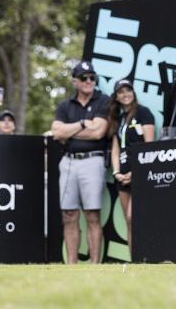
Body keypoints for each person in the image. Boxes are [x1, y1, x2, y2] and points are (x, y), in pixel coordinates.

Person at [50, 60, 111, 264]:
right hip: (68, 162)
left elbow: (99, 132)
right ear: (75, 81)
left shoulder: (103, 100)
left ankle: (95, 265)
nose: (89, 81)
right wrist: (84, 124)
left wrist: (71, 131)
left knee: (92, 214)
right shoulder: (65, 105)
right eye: (84, 78)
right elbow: (57, 133)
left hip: (93, 161)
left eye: (92, 77)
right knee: (69, 215)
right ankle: (72, 266)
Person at [108, 78, 155, 252]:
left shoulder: (144, 113)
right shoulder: (118, 119)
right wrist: (116, 172)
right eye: (121, 92)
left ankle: (145, 254)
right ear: (116, 97)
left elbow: (150, 146)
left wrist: (137, 172)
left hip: (140, 173)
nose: (125, 94)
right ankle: (134, 259)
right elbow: (115, 148)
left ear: (133, 93)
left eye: (128, 90)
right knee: (128, 221)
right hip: (122, 175)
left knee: (133, 218)